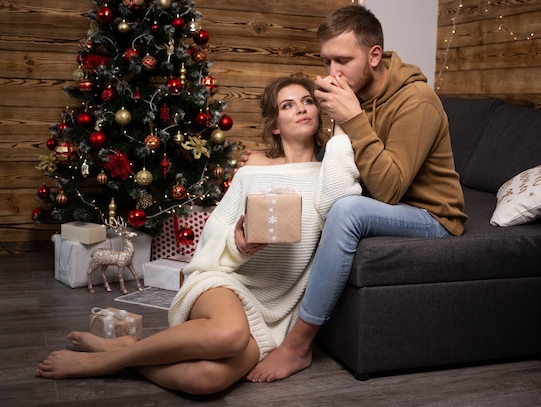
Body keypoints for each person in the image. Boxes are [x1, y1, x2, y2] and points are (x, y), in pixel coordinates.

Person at [35, 76, 362, 395]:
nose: (301, 109)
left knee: (204, 380)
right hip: (225, 281)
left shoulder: (328, 173)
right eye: (288, 105)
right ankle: (103, 364)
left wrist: (343, 127)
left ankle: (128, 349)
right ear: (275, 124)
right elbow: (213, 234)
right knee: (230, 335)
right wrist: (238, 245)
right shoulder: (252, 171)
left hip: (276, 309)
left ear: (320, 112)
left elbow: (338, 201)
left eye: (307, 102)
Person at [245, 5, 467, 383]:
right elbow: (339, 167)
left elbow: (389, 189)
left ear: (374, 55)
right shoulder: (355, 91)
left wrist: (352, 119)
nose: (333, 72)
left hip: (432, 216)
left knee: (346, 211)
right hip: (390, 205)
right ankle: (268, 308)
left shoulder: (418, 101)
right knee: (322, 201)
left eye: (343, 60)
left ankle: (298, 347)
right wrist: (266, 166)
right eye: (327, 60)